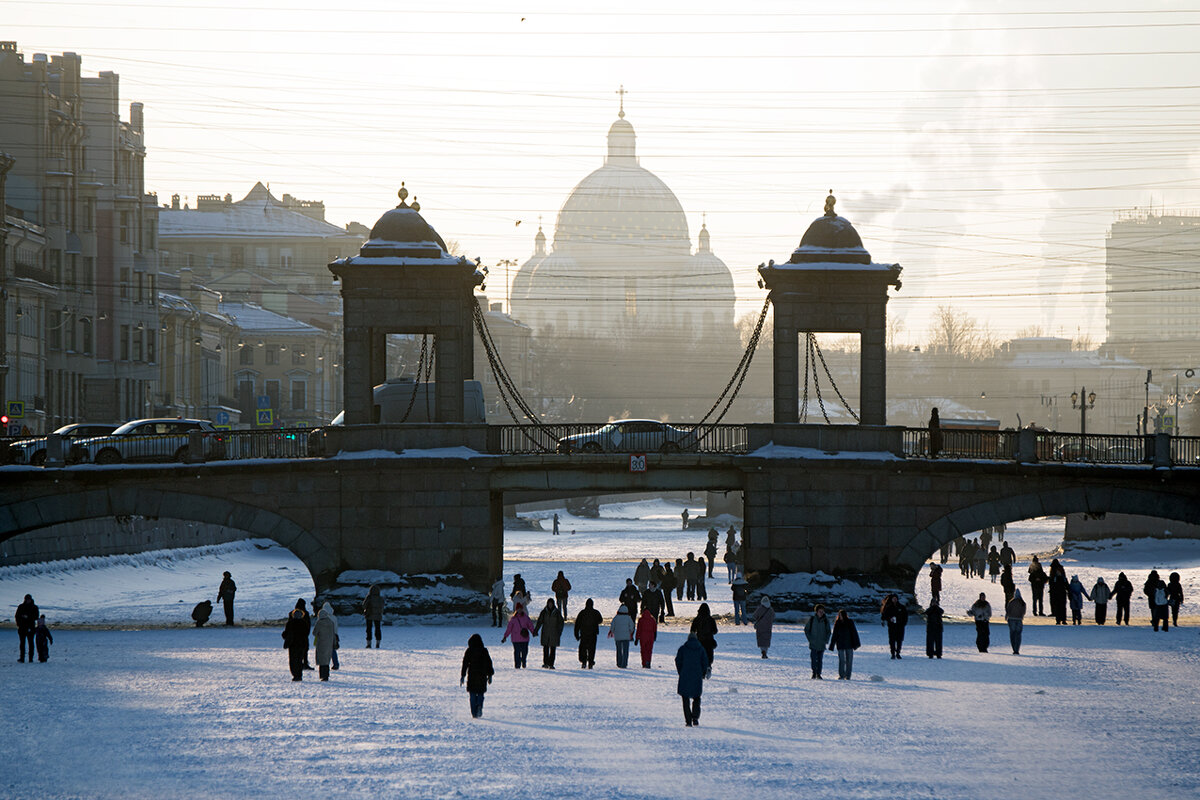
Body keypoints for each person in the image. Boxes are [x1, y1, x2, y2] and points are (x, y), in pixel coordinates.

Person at [675, 632, 707, 727]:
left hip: (685, 675)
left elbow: (678, 661)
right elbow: (705, 662)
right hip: (697, 676)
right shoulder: (701, 649)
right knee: (697, 697)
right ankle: (695, 717)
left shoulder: (683, 649)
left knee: (685, 699)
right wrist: (702, 673)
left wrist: (681, 671)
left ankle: (688, 720)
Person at [461, 633, 495, 718]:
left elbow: (465, 663)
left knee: (472, 693)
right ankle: (479, 705)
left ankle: (473, 712)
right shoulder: (484, 650)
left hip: (472, 674)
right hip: (482, 674)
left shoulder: (469, 651)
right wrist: (490, 675)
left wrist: (463, 675)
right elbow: (489, 663)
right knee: (480, 692)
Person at [282, 600, 310, 681]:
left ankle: (295, 674)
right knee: (299, 659)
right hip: (302, 643)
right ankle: (299, 674)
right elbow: (306, 633)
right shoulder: (304, 623)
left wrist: (285, 637)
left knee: (293, 660)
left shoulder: (290, 623)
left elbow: (286, 633)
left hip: (293, 644)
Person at [501, 603, 536, 668]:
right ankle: (517, 664)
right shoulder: (513, 619)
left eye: (520, 608)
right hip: (516, 638)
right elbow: (509, 629)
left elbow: (530, 625)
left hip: (524, 638)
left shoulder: (526, 618)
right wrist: (505, 636)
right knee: (517, 652)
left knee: (524, 652)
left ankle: (523, 660)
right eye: (518, 609)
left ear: (522, 609)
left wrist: (533, 632)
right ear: (516, 609)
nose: (519, 610)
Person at [829, 609, 861, 678]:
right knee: (842, 660)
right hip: (840, 644)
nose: (840, 616)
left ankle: (848, 675)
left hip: (849, 644)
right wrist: (832, 645)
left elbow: (854, 633)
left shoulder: (850, 622)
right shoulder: (837, 623)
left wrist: (856, 644)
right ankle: (842, 675)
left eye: (842, 615)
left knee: (849, 660)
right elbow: (834, 635)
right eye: (839, 615)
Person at [689, 603, 718, 677]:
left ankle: (701, 669)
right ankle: (708, 667)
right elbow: (715, 631)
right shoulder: (711, 619)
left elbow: (692, 630)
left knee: (700, 655)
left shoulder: (697, 619)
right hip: (709, 641)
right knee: (709, 656)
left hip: (700, 641)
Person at [534, 598, 564, 669]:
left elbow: (561, 623)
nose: (550, 605)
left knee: (553, 649)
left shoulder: (557, 612)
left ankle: (551, 664)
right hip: (546, 633)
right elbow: (539, 622)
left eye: (551, 603)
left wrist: (559, 632)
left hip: (554, 633)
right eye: (549, 603)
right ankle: (545, 663)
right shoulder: (544, 612)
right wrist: (536, 630)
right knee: (545, 649)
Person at [804, 604, 831, 679]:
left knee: (820, 660)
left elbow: (828, 631)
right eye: (820, 611)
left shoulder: (826, 620)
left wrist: (826, 640)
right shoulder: (812, 619)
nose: (821, 613)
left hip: (821, 644)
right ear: (816, 612)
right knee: (813, 659)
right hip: (813, 644)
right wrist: (810, 639)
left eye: (822, 611)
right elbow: (806, 630)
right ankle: (814, 673)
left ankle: (818, 674)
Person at [574, 598, 602, 668]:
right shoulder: (595, 612)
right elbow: (600, 620)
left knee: (583, 648)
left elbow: (577, 624)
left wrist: (576, 634)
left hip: (584, 634)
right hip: (593, 634)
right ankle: (590, 662)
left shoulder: (582, 613)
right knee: (591, 649)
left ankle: (584, 661)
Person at [313, 603, 337, 681]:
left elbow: (314, 633)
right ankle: (326, 675)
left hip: (321, 643)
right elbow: (334, 632)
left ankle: (322, 675)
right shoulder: (331, 622)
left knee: (321, 660)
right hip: (329, 643)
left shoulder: (319, 622)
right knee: (327, 660)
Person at [880, 594, 908, 659]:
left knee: (899, 640)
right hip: (892, 626)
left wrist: (903, 623)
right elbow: (884, 616)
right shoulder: (889, 607)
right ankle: (892, 653)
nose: (895, 600)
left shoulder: (902, 607)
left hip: (900, 626)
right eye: (893, 598)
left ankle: (898, 652)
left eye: (895, 598)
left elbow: (905, 616)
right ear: (891, 599)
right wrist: (889, 619)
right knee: (892, 640)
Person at [608, 604, 635, 668]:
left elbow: (612, 627)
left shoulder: (616, 617)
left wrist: (612, 631)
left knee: (619, 650)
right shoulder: (628, 618)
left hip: (617, 637)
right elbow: (632, 626)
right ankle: (624, 664)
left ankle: (619, 663)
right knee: (625, 651)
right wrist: (630, 632)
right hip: (626, 637)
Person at [15, 594, 38, 664]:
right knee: (22, 644)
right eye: (27, 599)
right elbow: (17, 616)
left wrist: (28, 617)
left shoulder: (34, 607)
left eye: (29, 599)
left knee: (31, 643)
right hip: (22, 628)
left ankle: (30, 658)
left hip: (31, 628)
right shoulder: (21, 607)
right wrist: (19, 624)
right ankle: (22, 658)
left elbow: (36, 617)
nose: (28, 601)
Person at [1048, 559, 1069, 625]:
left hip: (1055, 592)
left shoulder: (1052, 573)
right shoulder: (1062, 574)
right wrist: (1068, 590)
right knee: (1062, 606)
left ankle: (1058, 620)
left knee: (1057, 606)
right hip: (1062, 592)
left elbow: (1051, 583)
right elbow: (1066, 583)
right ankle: (1063, 620)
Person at [1006, 589, 1027, 655]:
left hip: (1011, 619)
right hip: (1019, 619)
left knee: (1012, 634)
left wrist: (1007, 616)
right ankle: (1017, 649)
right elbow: (1023, 612)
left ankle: (1014, 648)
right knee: (1018, 635)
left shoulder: (1011, 602)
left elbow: (1008, 610)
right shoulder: (1022, 603)